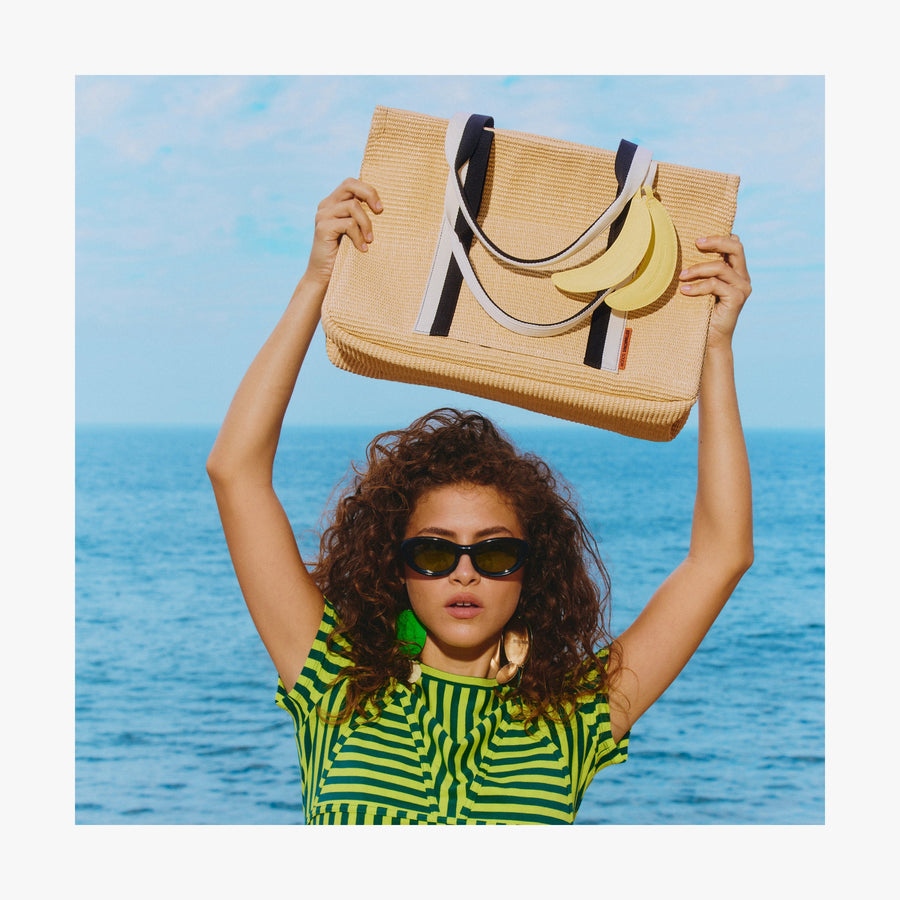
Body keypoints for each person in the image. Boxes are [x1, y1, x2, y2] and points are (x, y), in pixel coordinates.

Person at [207, 178, 753, 825]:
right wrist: (315, 285)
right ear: (396, 564)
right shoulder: (335, 681)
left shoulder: (571, 719)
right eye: (434, 551)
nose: (464, 572)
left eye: (495, 553)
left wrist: (714, 348)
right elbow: (235, 470)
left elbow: (721, 556)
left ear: (532, 569)